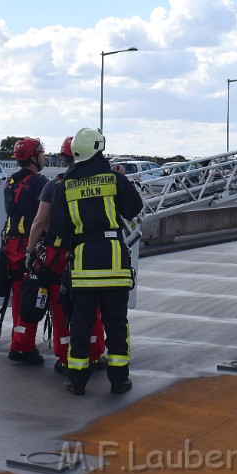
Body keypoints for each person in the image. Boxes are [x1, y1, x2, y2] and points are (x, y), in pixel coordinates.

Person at [49, 128, 144, 395]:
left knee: (80, 323)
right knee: (116, 323)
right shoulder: (114, 180)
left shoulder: (64, 185)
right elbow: (134, 209)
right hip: (114, 262)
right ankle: (119, 380)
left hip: (82, 265)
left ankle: (77, 381)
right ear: (99, 149)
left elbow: (58, 229)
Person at [25, 137, 107, 374]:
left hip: (56, 255)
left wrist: (30, 252)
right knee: (92, 306)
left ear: (64, 158)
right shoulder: (99, 184)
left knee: (60, 306)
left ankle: (64, 357)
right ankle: (92, 355)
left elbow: (40, 222)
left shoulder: (54, 185)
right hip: (87, 252)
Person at [2, 137, 50, 364]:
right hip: (28, 245)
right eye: (41, 153)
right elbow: (43, 218)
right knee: (32, 295)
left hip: (11, 245)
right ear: (33, 157)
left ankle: (19, 342)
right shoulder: (39, 183)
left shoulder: (10, 181)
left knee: (20, 297)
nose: (43, 156)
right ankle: (22, 347)